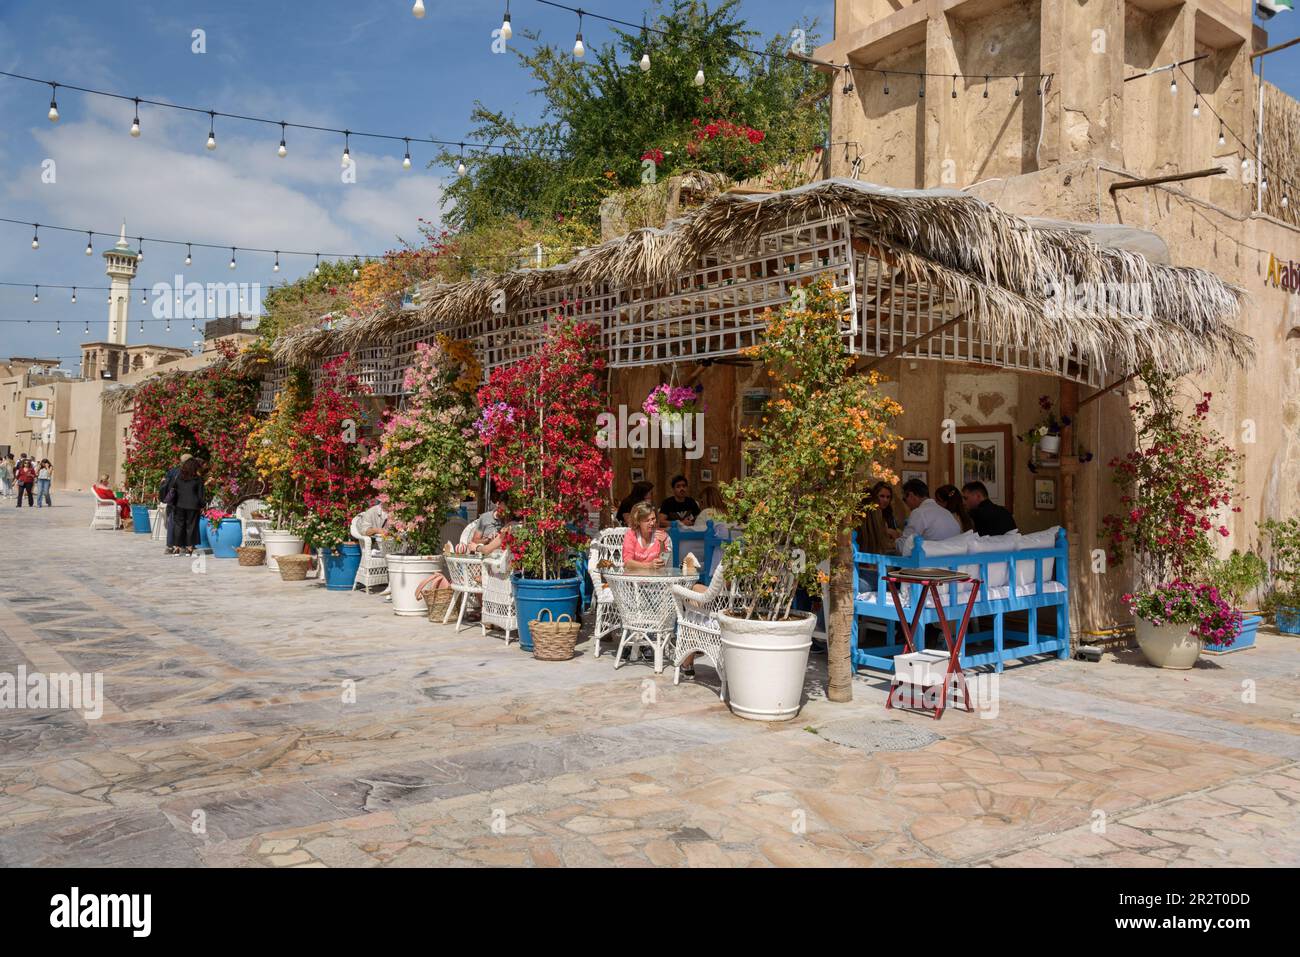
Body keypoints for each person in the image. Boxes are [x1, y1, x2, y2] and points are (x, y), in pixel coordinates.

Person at [896, 478, 961, 551]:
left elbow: (904, 547)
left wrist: (895, 539)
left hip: (931, 560)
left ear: (911, 496)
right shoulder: (947, 512)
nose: (906, 504)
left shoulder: (919, 513)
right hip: (952, 560)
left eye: (904, 499)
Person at [168, 457, 205, 555]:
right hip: (193, 506)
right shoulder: (198, 479)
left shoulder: (179, 477)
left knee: (178, 526)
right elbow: (200, 496)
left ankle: (176, 548)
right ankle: (189, 548)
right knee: (191, 527)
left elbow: (173, 489)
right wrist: (202, 506)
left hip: (179, 505)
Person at [857, 481, 901, 552]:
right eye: (882, 496)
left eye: (888, 497)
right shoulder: (867, 514)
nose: (885, 500)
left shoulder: (889, 514)